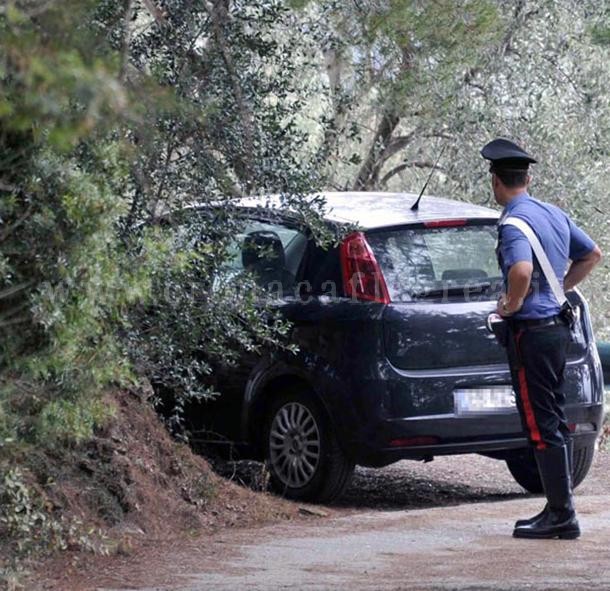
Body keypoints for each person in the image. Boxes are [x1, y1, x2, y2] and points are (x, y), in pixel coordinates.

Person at [481, 138, 602, 539]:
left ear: (496, 182)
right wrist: (559, 290)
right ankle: (557, 508)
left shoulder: (513, 221)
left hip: (531, 335)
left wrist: (510, 305)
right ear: (527, 178)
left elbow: (519, 270)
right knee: (552, 417)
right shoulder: (553, 214)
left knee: (540, 422)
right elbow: (592, 254)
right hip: (556, 330)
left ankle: (562, 516)